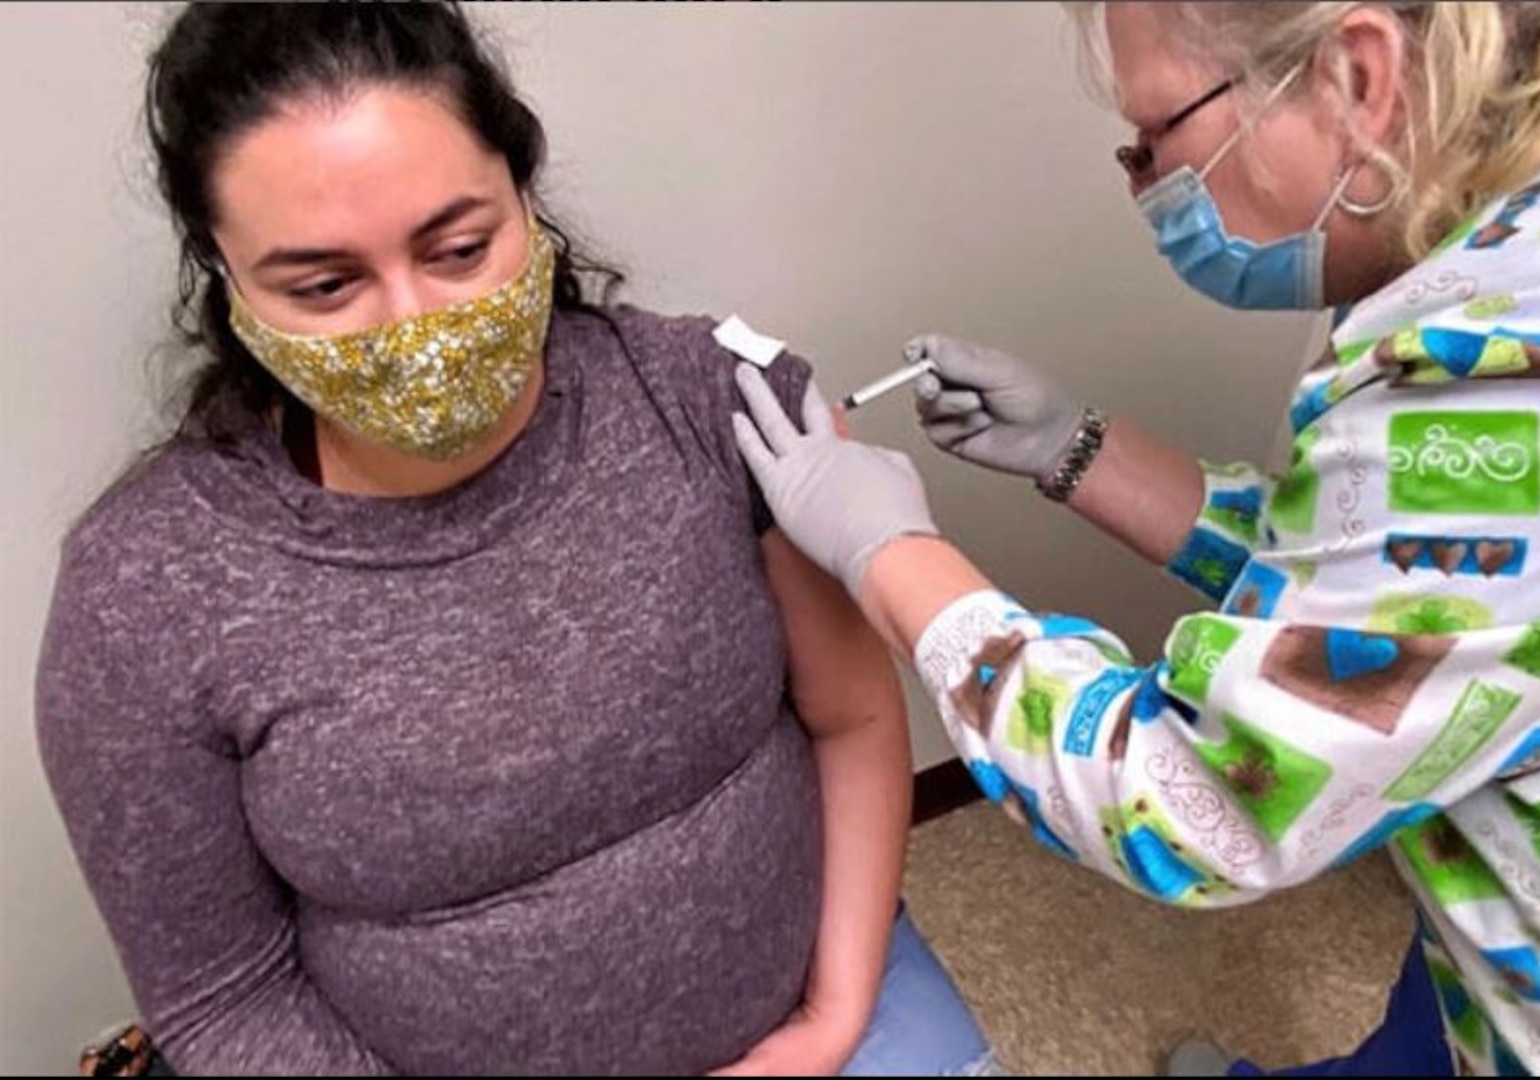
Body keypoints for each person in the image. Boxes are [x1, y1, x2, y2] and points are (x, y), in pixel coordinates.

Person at [733, 1, 1540, 1074]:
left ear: (1358, 71)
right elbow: (1435, 599)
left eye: (1157, 138)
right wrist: (1080, 450)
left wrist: (887, 552)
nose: (1144, 186)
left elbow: (1195, 804)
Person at [35, 4, 993, 1075]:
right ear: (226, 274)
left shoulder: (720, 405)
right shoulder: (144, 592)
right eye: (324, 285)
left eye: (458, 247)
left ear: (524, 198)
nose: (413, 326)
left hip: (821, 1011)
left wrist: (829, 1023)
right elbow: (224, 1000)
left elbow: (857, 717)